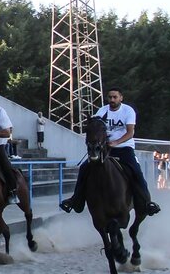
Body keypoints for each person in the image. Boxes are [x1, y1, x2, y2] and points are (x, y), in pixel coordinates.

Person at [59, 87, 161, 216]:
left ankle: (147, 203)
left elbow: (130, 132)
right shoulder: (102, 111)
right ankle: (75, 200)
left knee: (136, 171)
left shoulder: (127, 111)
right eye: (110, 97)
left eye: (115, 97)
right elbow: (95, 127)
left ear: (120, 98)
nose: (112, 100)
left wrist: (116, 142)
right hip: (105, 148)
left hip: (124, 148)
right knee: (84, 168)